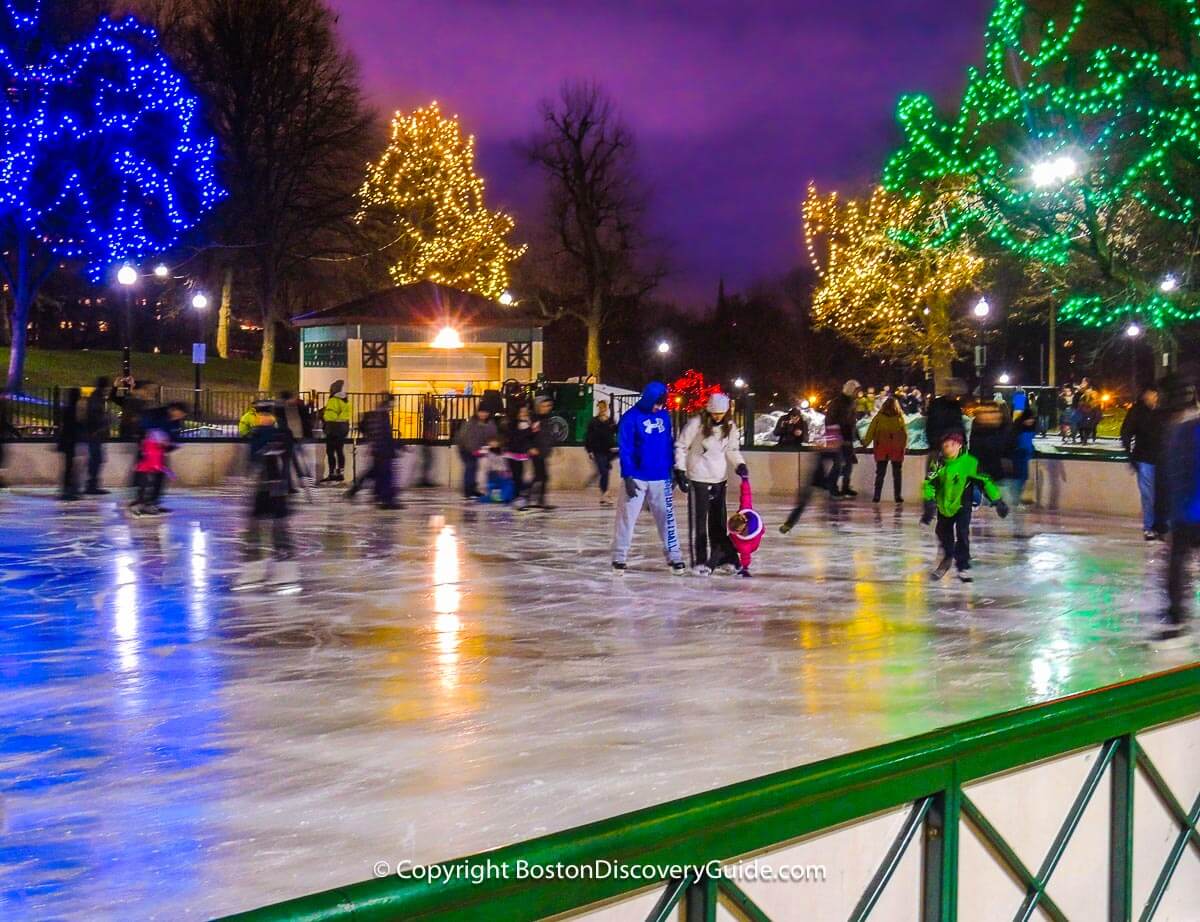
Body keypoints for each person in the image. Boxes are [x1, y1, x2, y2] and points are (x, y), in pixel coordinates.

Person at [611, 381, 686, 574]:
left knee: (667, 518)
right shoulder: (630, 418)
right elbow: (626, 448)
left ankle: (674, 556)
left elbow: (668, 443)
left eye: (661, 403)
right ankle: (620, 556)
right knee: (627, 518)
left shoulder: (664, 415)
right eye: (656, 403)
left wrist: (674, 469)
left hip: (661, 476)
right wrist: (627, 474)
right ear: (647, 399)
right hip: (636, 476)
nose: (658, 407)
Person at [674, 392, 748, 574]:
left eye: (721, 413)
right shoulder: (696, 424)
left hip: (719, 478)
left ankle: (722, 558)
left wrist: (740, 464)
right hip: (698, 477)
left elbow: (732, 449)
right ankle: (699, 561)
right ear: (708, 411)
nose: (717, 416)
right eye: (714, 413)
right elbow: (681, 446)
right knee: (699, 522)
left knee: (718, 523)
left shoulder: (729, 426)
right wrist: (680, 470)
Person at [921, 432, 1009, 581]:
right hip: (944, 505)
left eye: (951, 445)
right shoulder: (938, 462)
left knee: (962, 533)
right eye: (945, 445)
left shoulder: (969, 463)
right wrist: (929, 501)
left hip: (962, 504)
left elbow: (985, 481)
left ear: (959, 445)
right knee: (943, 532)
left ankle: (963, 566)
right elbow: (929, 483)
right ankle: (947, 557)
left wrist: (997, 500)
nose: (948, 448)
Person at [1160, 372, 1200, 629]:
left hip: (1185, 512)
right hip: (1187, 511)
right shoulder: (1184, 431)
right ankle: (1175, 610)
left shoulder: (1181, 431)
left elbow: (1171, 475)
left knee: (1177, 562)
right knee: (1176, 563)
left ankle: (1176, 611)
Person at [1121, 385, 1165, 540]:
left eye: (1154, 394)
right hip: (1144, 459)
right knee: (1148, 495)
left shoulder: (1162, 412)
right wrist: (1130, 455)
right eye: (1150, 394)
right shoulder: (1137, 412)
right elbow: (1126, 433)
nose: (1153, 397)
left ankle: (1160, 526)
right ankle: (1149, 526)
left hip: (1162, 460)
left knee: (1160, 494)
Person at [346, 394, 401, 509]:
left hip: (378, 450)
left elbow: (373, 431)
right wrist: (395, 447)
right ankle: (385, 499)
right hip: (383, 451)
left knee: (374, 473)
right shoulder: (382, 416)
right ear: (389, 403)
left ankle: (358, 492)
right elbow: (385, 435)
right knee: (385, 474)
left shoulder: (376, 414)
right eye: (392, 404)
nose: (393, 406)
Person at [136, 402, 188, 512]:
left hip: (161, 453)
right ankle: (142, 503)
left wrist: (169, 445)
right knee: (146, 476)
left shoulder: (176, 422)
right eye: (180, 413)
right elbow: (144, 428)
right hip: (148, 451)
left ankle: (153, 502)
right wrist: (152, 441)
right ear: (174, 409)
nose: (181, 417)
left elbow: (175, 438)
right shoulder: (157, 415)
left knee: (160, 477)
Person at [247, 401, 291, 519]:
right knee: (273, 482)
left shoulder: (257, 422)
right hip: (272, 455)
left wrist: (254, 457)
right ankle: (277, 508)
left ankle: (263, 508)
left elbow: (255, 442)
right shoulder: (273, 422)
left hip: (264, 455)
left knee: (265, 482)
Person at [862, 396, 907, 503]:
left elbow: (870, 432)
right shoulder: (899, 417)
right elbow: (904, 434)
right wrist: (903, 447)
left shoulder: (878, 418)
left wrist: (865, 443)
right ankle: (898, 496)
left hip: (882, 449)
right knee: (897, 474)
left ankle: (877, 496)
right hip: (896, 450)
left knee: (880, 474)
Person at [824, 379, 860, 497]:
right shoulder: (837, 403)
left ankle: (845, 487)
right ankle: (831, 486)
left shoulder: (852, 403)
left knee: (849, 463)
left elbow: (852, 422)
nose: (858, 393)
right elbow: (831, 420)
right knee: (838, 463)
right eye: (856, 390)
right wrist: (838, 437)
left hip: (847, 437)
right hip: (838, 437)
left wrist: (857, 436)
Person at [454, 405, 498, 499]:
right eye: (481, 412)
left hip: (481, 450)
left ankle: (478, 489)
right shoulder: (471, 423)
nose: (483, 414)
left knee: (483, 468)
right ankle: (468, 491)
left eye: (485, 412)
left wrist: (491, 444)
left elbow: (493, 437)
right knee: (471, 466)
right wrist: (474, 450)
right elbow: (467, 439)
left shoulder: (491, 424)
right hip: (466, 449)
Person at [727, 472, 763, 578]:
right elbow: (746, 495)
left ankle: (731, 562)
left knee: (727, 546)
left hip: (751, 544)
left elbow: (745, 557)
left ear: (739, 531)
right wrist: (745, 480)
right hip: (744, 537)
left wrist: (745, 568)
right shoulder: (744, 511)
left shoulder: (744, 546)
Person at [129, 427, 172, 517]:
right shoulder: (152, 446)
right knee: (146, 487)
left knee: (150, 487)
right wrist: (162, 469)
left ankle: (147, 504)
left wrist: (165, 469)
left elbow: (159, 460)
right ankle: (142, 505)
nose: (166, 442)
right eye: (164, 440)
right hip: (146, 470)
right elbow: (152, 460)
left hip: (150, 470)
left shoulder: (159, 448)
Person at [585, 400, 619, 504]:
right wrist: (589, 450)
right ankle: (605, 493)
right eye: (600, 407)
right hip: (598, 450)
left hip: (609, 450)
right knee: (604, 471)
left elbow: (613, 432)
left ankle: (604, 492)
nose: (602, 409)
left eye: (603, 407)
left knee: (605, 470)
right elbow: (589, 437)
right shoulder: (594, 421)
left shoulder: (610, 421)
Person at [525, 394, 556, 510]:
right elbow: (528, 436)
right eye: (544, 406)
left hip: (542, 451)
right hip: (536, 452)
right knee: (539, 476)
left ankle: (539, 499)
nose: (546, 408)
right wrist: (531, 447)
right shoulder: (534, 420)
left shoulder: (546, 419)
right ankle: (528, 497)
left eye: (548, 406)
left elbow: (547, 436)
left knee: (542, 476)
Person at [82, 377, 111, 495]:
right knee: (96, 459)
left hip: (95, 432)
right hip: (95, 433)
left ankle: (93, 484)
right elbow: (94, 415)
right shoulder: (96, 398)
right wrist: (105, 419)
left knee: (97, 459)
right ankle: (91, 485)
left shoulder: (97, 397)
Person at [926, 378, 968, 458]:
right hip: (941, 443)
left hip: (952, 443)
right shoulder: (937, 405)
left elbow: (959, 424)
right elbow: (932, 425)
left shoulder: (955, 405)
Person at [55, 387, 84, 501]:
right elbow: (75, 426)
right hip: (70, 441)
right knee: (69, 466)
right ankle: (68, 490)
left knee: (68, 466)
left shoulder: (67, 409)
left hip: (67, 441)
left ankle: (68, 489)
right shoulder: (73, 410)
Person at [320, 380, 351, 483]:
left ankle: (332, 473)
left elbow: (330, 414)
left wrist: (324, 416)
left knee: (330, 451)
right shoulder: (345, 400)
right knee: (339, 450)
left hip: (333, 427)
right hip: (342, 428)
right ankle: (340, 473)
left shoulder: (334, 400)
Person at [417, 394, 442, 487]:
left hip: (427, 439)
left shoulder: (427, 409)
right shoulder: (429, 409)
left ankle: (425, 479)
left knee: (428, 460)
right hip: (428, 439)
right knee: (428, 460)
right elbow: (437, 418)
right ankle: (425, 480)